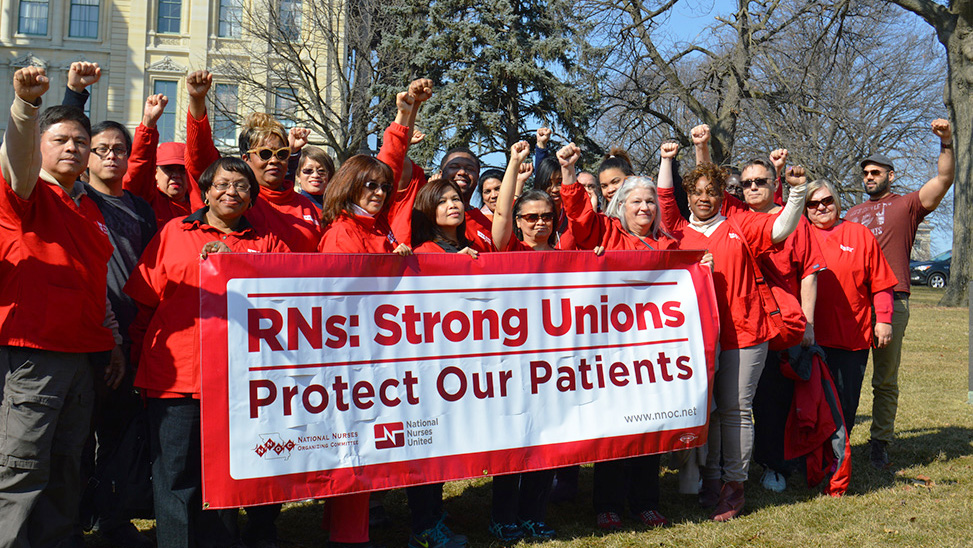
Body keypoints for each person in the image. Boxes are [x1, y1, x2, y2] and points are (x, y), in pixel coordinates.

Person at [125, 157, 287, 548]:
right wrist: (135, 362)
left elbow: (301, 290)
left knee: (224, 478)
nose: (232, 192)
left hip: (239, 385)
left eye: (242, 186)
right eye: (223, 184)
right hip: (176, 377)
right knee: (175, 476)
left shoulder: (266, 243)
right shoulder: (174, 233)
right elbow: (143, 303)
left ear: (252, 198)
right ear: (207, 190)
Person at [0, 66, 123, 548]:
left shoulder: (90, 209)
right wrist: (26, 108)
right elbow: (17, 156)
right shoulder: (24, 194)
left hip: (83, 357)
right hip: (35, 355)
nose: (72, 147)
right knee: (20, 466)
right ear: (42, 147)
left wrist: (112, 342)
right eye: (60, 140)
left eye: (80, 141)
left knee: (66, 466)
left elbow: (97, 288)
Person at [657, 140, 808, 521]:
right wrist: (666, 159)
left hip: (745, 333)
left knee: (737, 409)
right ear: (688, 196)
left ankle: (734, 486)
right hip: (697, 339)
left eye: (712, 191)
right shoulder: (676, 230)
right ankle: (711, 479)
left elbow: (780, 227)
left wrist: (797, 193)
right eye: (697, 192)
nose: (704, 198)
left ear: (722, 195)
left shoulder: (740, 223)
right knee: (711, 413)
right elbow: (662, 194)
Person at [844, 119, 954, 469]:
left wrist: (946, 143)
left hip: (892, 301)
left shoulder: (906, 206)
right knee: (845, 375)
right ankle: (838, 439)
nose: (870, 177)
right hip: (852, 304)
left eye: (876, 172)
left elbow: (943, 180)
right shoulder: (851, 214)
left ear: (890, 175)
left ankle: (879, 442)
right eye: (866, 173)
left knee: (884, 379)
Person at [81, 118, 158, 548]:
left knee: (120, 432)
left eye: (118, 150)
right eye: (102, 149)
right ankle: (73, 520)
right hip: (87, 334)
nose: (111, 156)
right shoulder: (76, 198)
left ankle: (113, 519)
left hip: (132, 335)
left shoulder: (141, 208)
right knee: (77, 437)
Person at [731, 146, 827, 494]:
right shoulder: (735, 220)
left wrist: (809, 323)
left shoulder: (795, 222)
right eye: (746, 183)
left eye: (760, 181)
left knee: (773, 401)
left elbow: (809, 274)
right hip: (743, 322)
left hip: (781, 324)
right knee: (741, 401)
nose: (752, 187)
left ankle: (774, 465)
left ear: (774, 185)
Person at [185, 70, 322, 253]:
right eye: (265, 154)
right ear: (245, 158)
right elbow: (199, 154)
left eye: (281, 154)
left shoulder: (307, 207)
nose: (274, 160)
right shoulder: (238, 200)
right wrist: (197, 100)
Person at [805, 179, 897, 436]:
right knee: (809, 403)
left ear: (837, 201)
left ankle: (840, 457)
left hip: (851, 337)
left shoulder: (859, 234)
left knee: (845, 403)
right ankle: (810, 459)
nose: (821, 207)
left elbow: (881, 282)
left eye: (827, 201)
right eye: (812, 203)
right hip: (809, 336)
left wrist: (884, 320)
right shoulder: (799, 234)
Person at [121, 92, 204, 227]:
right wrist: (148, 124)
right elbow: (139, 167)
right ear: (155, 173)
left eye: (182, 170)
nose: (176, 176)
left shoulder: (200, 207)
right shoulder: (147, 201)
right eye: (168, 169)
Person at [296, 145, 335, 209]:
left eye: (321, 171)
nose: (315, 175)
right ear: (298, 176)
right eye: (308, 170)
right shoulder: (293, 206)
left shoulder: (337, 209)